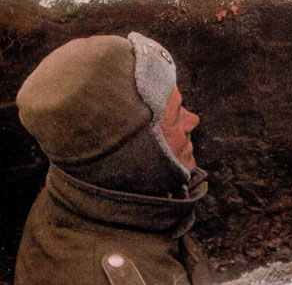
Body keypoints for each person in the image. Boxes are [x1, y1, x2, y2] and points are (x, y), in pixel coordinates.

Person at [14, 33, 213, 284]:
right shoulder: (109, 276)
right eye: (175, 116)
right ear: (137, 154)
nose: (193, 120)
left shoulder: (77, 191)